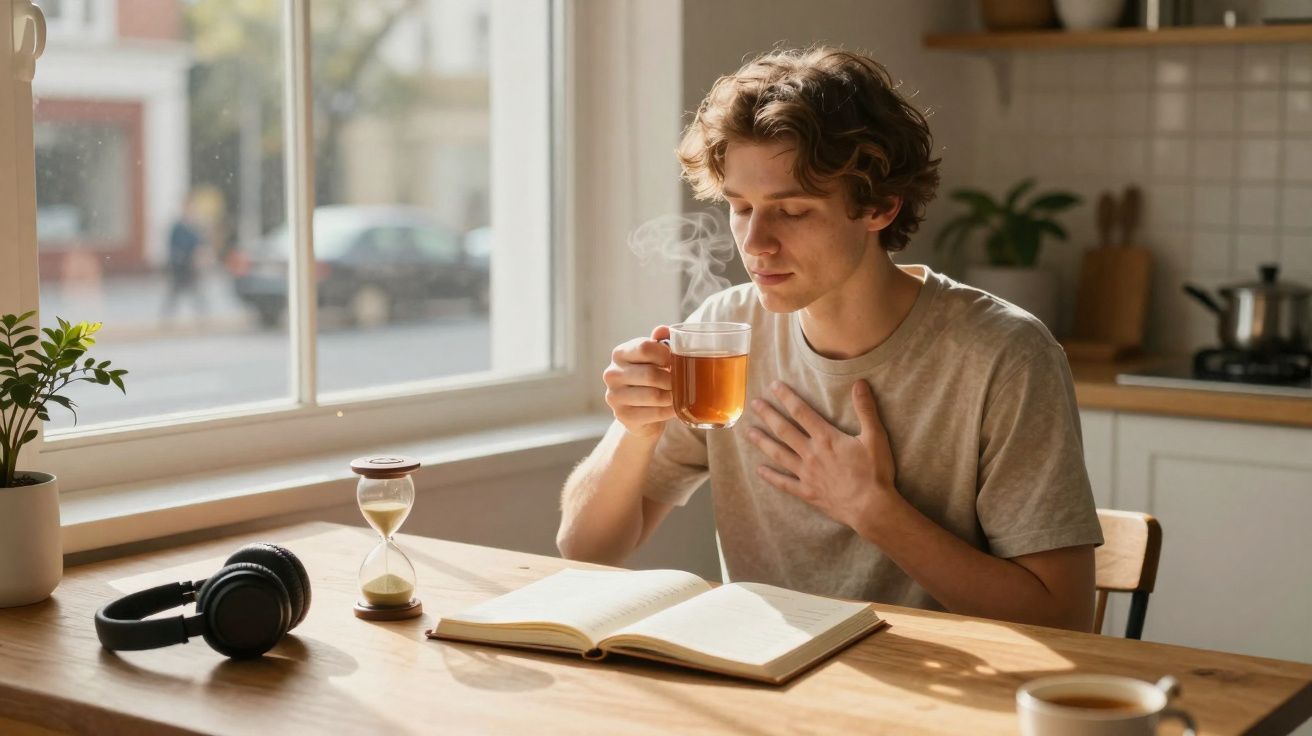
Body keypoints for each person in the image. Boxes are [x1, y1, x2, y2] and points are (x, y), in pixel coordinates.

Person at [556, 47, 1104, 632]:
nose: (756, 243)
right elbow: (587, 551)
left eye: (792, 211)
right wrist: (634, 432)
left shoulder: (1005, 354)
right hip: (768, 683)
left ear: (879, 207)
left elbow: (1064, 618)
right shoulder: (728, 332)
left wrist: (873, 510)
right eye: (741, 208)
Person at [161, 197, 208, 323]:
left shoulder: (196, 226)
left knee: (197, 292)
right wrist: (178, 258)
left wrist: (200, 257)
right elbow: (173, 245)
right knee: (174, 293)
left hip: (192, 266)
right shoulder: (178, 227)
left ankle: (202, 317)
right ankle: (168, 318)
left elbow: (201, 244)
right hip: (180, 266)